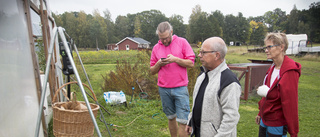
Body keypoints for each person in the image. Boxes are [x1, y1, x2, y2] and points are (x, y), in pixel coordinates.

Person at [185, 37, 241, 137]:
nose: (199, 55)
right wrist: (191, 121)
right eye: (199, 52)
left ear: (216, 55)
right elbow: (197, 103)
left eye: (203, 52)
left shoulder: (228, 81)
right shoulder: (202, 75)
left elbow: (231, 117)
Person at [150, 21, 196, 137]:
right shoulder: (156, 48)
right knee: (171, 118)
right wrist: (159, 64)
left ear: (171, 32)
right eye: (161, 39)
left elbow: (191, 63)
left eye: (166, 38)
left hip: (180, 88)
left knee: (183, 121)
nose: (164, 41)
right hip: (164, 89)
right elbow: (152, 71)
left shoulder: (182, 42)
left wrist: (176, 59)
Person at [255, 32, 301, 137]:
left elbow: (290, 102)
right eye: (266, 47)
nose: (266, 50)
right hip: (265, 118)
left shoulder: (289, 71)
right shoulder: (272, 67)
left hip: (277, 121)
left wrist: (293, 132)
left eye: (269, 47)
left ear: (281, 47)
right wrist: (260, 113)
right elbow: (267, 92)